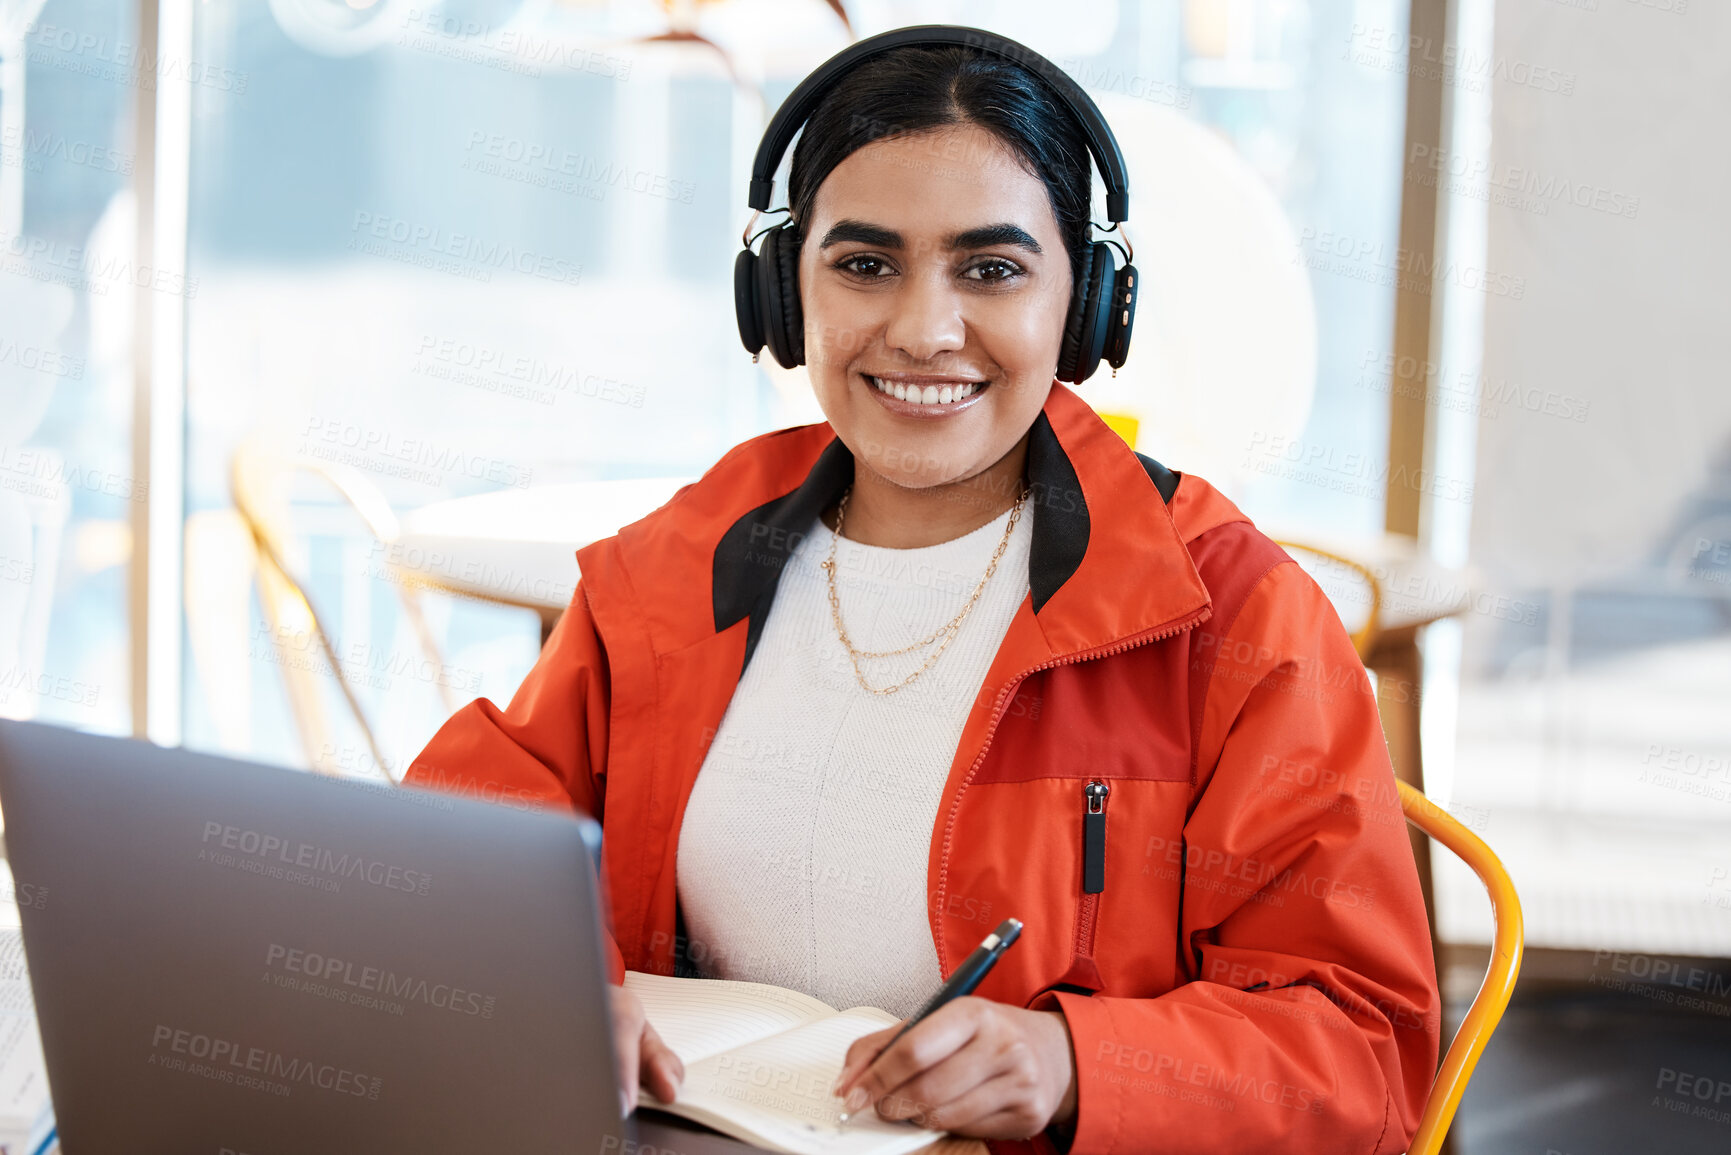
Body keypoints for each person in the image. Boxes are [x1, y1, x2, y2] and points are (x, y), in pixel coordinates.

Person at [405, 30, 1440, 1155]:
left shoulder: (1231, 617)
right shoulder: (681, 560)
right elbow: (482, 822)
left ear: (1086, 305)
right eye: (865, 264)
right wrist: (553, 983)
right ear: (783, 292)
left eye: (991, 269)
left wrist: (1075, 1066)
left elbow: (1363, 1059)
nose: (923, 330)